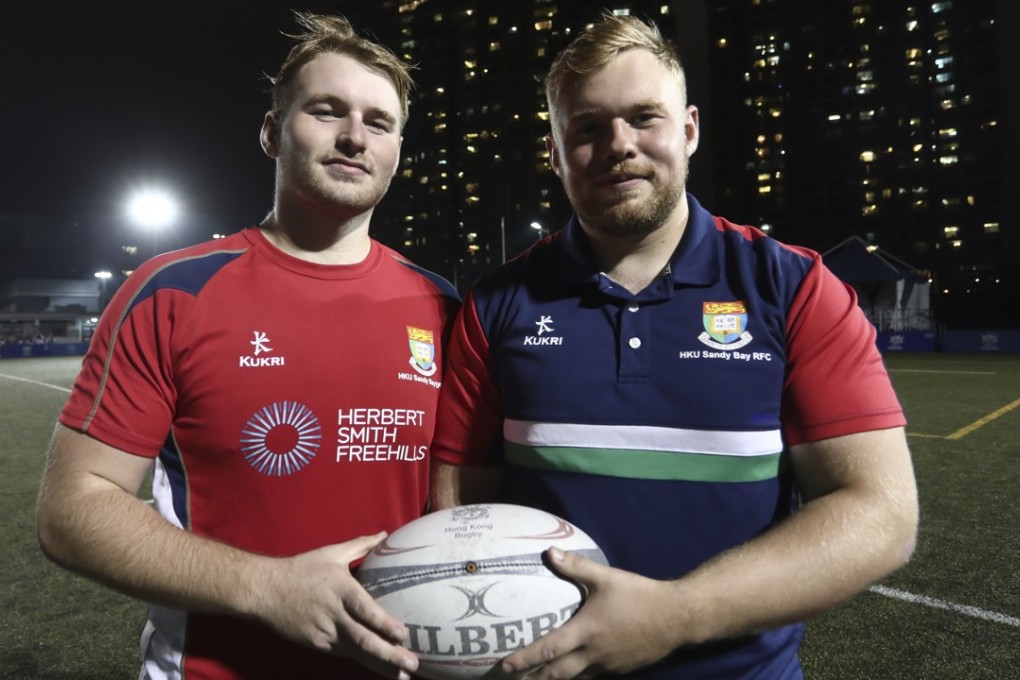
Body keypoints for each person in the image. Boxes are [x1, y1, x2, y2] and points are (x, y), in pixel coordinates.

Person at [430, 13, 918, 680]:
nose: (619, 145)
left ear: (688, 130)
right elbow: (460, 511)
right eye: (588, 128)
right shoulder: (496, 305)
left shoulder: (794, 289)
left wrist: (679, 613)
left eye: (643, 118)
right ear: (555, 153)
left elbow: (880, 513)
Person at [37, 13, 459, 680]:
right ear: (271, 132)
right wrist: (267, 588)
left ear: (398, 148)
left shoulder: (444, 307)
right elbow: (72, 510)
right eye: (327, 111)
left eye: (378, 122)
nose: (355, 136)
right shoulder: (172, 292)